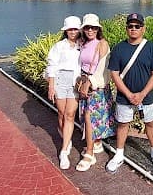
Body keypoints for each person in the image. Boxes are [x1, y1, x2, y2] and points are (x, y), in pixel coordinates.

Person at [106, 13, 153, 172]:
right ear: (126, 28)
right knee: (123, 124)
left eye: (137, 26)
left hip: (145, 97)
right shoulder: (119, 48)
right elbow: (114, 73)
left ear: (143, 29)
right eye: (130, 26)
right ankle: (119, 154)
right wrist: (128, 94)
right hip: (124, 97)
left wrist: (142, 94)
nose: (133, 29)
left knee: (150, 124)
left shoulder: (151, 48)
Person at [74, 13, 116, 172]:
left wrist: (91, 83)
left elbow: (103, 69)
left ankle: (89, 153)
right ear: (83, 29)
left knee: (89, 118)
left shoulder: (102, 44)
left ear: (98, 29)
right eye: (87, 27)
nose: (90, 30)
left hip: (96, 86)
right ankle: (96, 142)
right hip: (84, 82)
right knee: (87, 116)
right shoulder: (83, 43)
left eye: (93, 27)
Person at [46, 15, 82, 170]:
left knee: (70, 115)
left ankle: (64, 150)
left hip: (75, 81)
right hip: (61, 80)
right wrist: (51, 86)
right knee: (61, 112)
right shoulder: (59, 46)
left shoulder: (83, 45)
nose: (72, 32)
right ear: (66, 30)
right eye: (70, 29)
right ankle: (65, 136)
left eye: (75, 29)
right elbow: (52, 66)